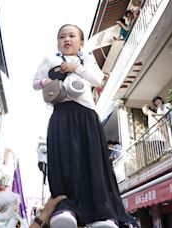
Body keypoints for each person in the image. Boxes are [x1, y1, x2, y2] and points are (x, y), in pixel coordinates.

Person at [33, 24, 130, 228]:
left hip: (87, 115)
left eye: (71, 35)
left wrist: (76, 68)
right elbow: (35, 83)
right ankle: (64, 209)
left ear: (81, 42)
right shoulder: (51, 59)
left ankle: (101, 214)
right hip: (61, 114)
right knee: (64, 163)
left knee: (93, 162)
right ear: (58, 42)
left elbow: (97, 79)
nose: (66, 39)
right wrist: (51, 77)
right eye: (62, 36)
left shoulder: (87, 59)